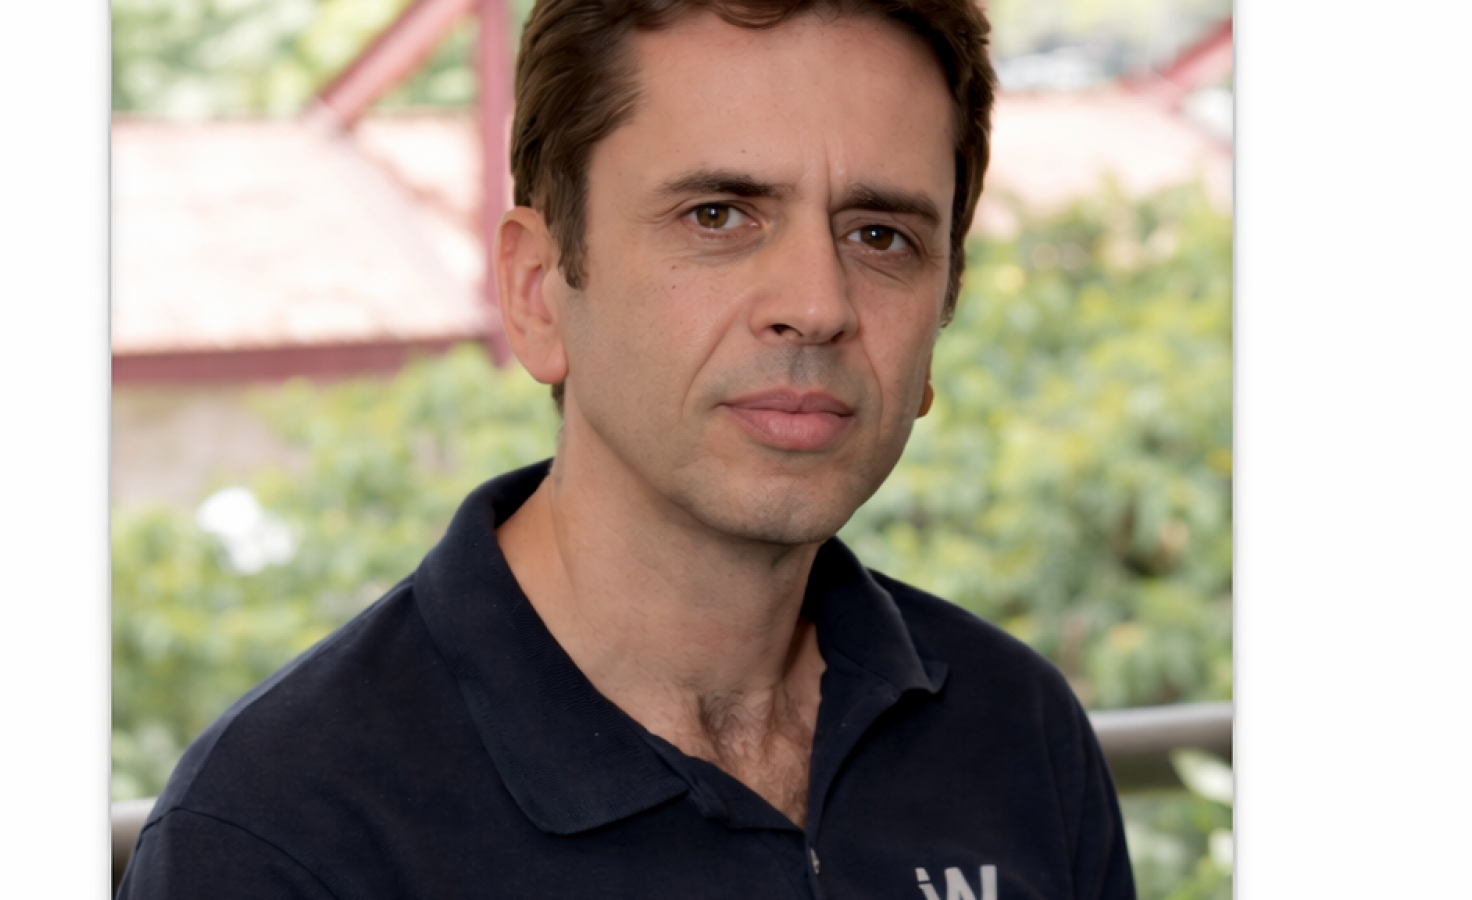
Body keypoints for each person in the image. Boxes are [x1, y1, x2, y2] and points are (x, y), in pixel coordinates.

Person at [118, 0, 1136, 897]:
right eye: (718, 215)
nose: (818, 306)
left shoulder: (1014, 731)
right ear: (537, 293)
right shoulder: (282, 837)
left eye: (881, 237)